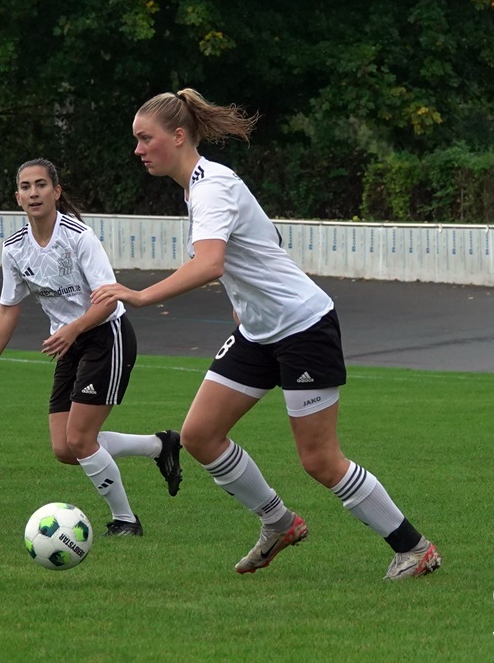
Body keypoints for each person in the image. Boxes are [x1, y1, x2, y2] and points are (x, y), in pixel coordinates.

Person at [90, 88, 441, 579]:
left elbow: (210, 263)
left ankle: (414, 548)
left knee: (319, 460)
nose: (138, 149)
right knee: (200, 436)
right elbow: (263, 243)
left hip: (303, 327)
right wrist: (244, 303)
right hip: (259, 332)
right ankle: (278, 522)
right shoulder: (199, 187)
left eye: (145, 138)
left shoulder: (211, 187)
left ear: (179, 135)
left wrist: (141, 295)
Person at [0, 158, 182, 537]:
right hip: (69, 343)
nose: (33, 193)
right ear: (17, 197)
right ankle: (159, 446)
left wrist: (74, 329)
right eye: (25, 187)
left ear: (56, 191)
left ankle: (126, 521)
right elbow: (6, 310)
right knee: (65, 449)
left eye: (41, 185)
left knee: (81, 439)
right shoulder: (15, 248)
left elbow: (109, 300)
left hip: (106, 336)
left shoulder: (78, 236)